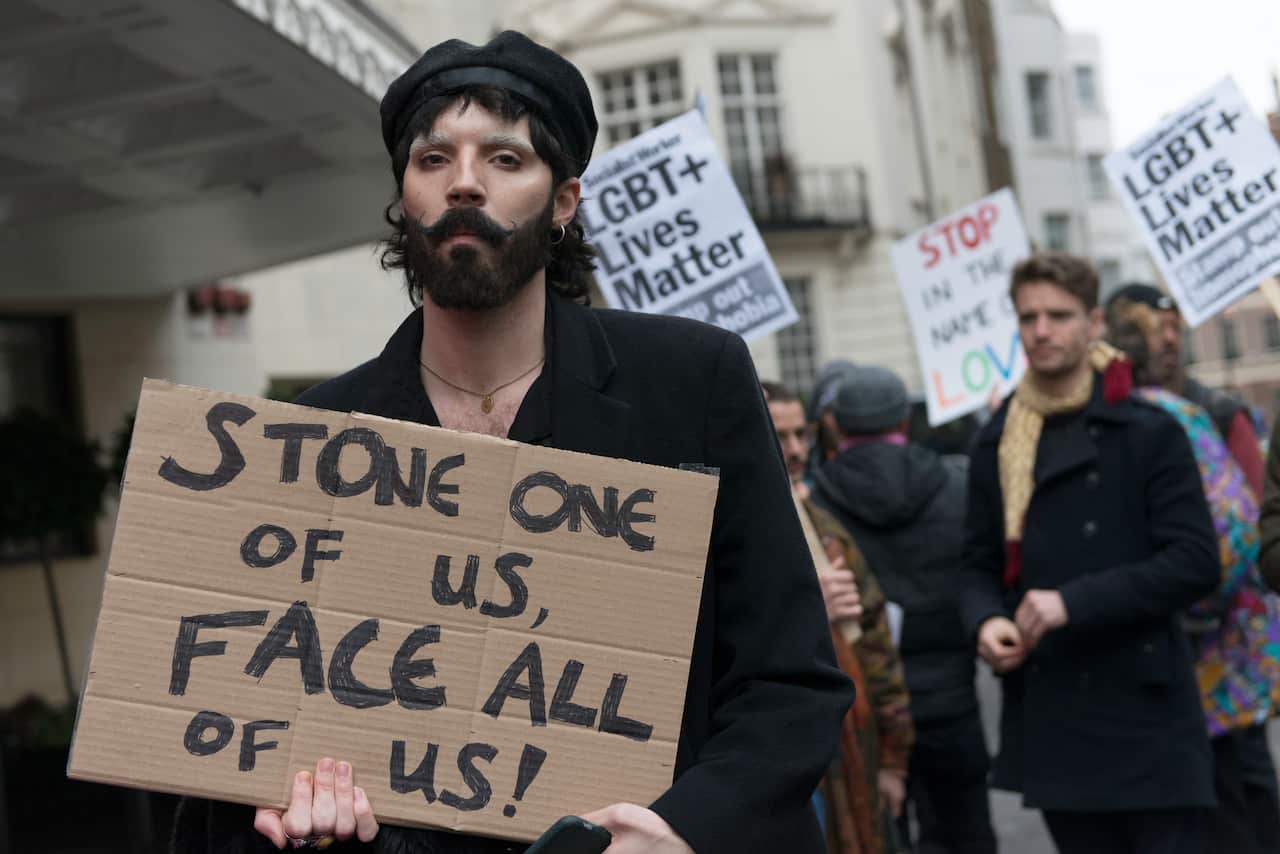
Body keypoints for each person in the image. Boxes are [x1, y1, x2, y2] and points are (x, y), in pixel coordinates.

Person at [170, 30, 853, 854]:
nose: (464, 183)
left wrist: (681, 830)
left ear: (562, 201)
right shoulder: (319, 437)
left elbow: (790, 681)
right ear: (404, 198)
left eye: (503, 158)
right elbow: (244, 737)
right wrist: (295, 813)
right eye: (433, 160)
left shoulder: (692, 380)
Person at [960, 252, 1219, 854]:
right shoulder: (997, 441)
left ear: (1094, 322)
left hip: (1149, 716)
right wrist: (987, 620)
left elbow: (1194, 560)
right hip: (1058, 716)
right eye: (1029, 317)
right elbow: (975, 563)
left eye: (1058, 314)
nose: (1041, 330)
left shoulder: (1150, 431)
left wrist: (1071, 603)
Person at [1107, 299, 1280, 853]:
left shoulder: (1168, 418)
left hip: (1210, 656)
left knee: (1233, 806)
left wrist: (1183, 607)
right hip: (1190, 662)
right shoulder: (1151, 414)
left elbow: (1236, 533)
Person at [808, 366, 996, 854]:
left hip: (871, 706)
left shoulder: (815, 501)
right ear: (905, 421)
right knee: (964, 832)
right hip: (952, 698)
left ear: (834, 425)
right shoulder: (955, 485)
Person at [764, 380, 915, 854]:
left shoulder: (826, 531)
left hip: (853, 754)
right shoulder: (725, 531)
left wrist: (893, 760)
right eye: (779, 435)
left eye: (800, 436)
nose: (793, 450)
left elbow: (875, 645)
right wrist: (808, 610)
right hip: (782, 762)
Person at [1103, 283, 1263, 496]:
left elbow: (1255, 508)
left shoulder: (1222, 413)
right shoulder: (1099, 415)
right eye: (1157, 327)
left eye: (1176, 328)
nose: (1171, 339)